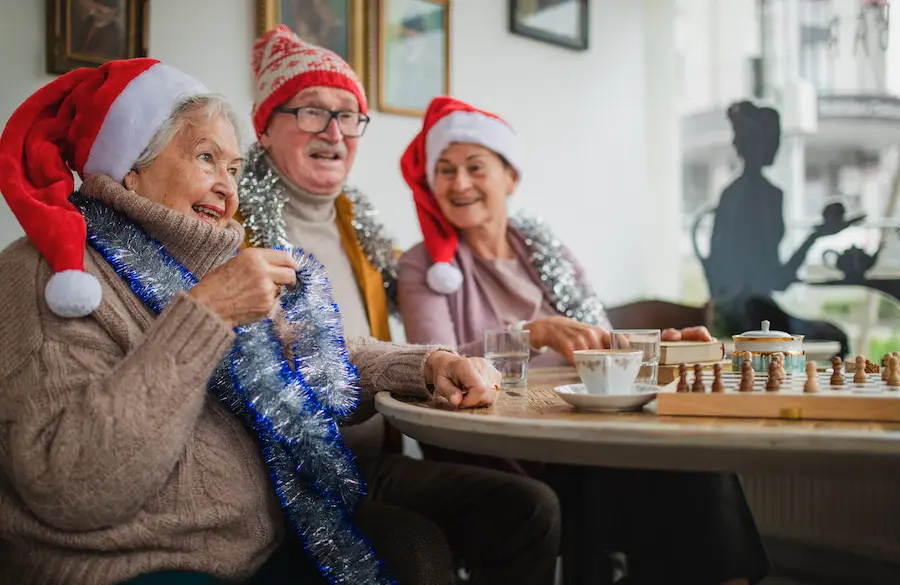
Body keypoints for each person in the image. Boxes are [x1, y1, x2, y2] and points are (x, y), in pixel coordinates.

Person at [0, 60, 559, 585]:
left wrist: (429, 362)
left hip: (256, 537)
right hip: (136, 562)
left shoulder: (207, 261)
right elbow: (74, 487)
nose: (227, 186)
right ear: (129, 169)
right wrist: (207, 314)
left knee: (430, 539)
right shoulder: (49, 275)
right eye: (205, 158)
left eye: (234, 168)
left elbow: (314, 349)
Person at [396, 96, 771, 585]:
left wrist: (666, 344)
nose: (459, 183)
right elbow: (434, 362)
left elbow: (600, 338)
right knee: (638, 479)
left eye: (474, 167)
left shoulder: (545, 250)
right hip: (506, 451)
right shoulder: (423, 265)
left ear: (511, 177)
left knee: (695, 466)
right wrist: (533, 333)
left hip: (579, 429)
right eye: (444, 170)